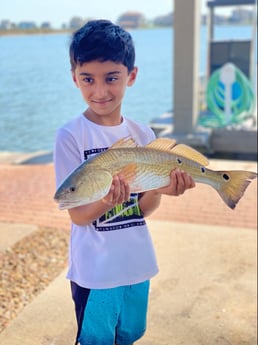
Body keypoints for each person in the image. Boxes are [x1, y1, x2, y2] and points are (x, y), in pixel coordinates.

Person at [54, 19, 195, 345]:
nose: (100, 90)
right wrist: (106, 201)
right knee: (97, 340)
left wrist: (161, 190)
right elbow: (76, 214)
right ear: (74, 78)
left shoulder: (142, 134)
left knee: (129, 335)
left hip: (137, 263)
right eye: (88, 78)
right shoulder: (71, 136)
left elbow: (142, 210)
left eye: (112, 78)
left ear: (131, 76)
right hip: (96, 272)